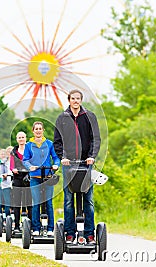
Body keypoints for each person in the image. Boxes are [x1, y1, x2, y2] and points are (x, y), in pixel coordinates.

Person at [54, 89, 101, 244]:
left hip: (86, 164)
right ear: (69, 100)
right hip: (69, 165)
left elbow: (96, 139)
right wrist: (63, 157)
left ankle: (89, 234)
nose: (75, 101)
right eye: (73, 98)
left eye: (78, 98)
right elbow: (57, 142)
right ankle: (69, 233)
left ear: (81, 100)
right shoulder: (62, 118)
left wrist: (91, 157)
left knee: (89, 200)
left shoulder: (89, 116)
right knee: (68, 200)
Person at [23, 121, 60, 236]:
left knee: (48, 202)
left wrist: (56, 165)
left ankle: (50, 229)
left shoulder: (49, 144)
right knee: (36, 203)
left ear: (43, 130)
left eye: (40, 129)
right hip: (35, 177)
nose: (38, 131)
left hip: (48, 177)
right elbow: (25, 160)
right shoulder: (29, 145)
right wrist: (30, 167)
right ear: (33, 131)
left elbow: (56, 158)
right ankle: (36, 228)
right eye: (36, 129)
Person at [10, 131, 32, 232]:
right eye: (19, 138)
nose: (21, 139)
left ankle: (30, 224)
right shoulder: (13, 152)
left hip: (28, 177)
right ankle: (17, 226)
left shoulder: (30, 149)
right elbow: (11, 165)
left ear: (25, 138)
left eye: (23, 137)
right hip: (17, 177)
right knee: (17, 203)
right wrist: (13, 169)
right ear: (17, 139)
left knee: (28, 202)